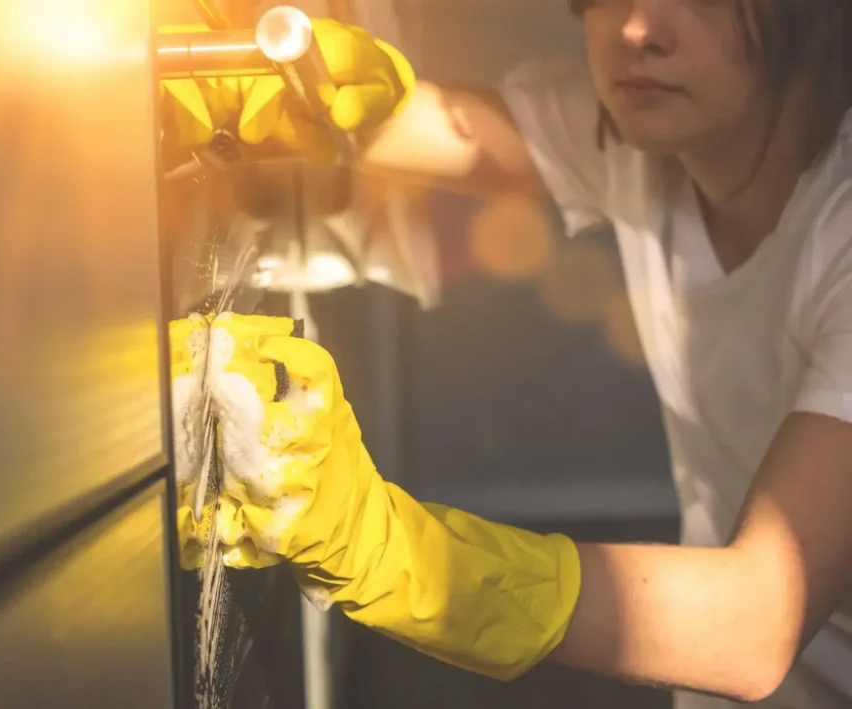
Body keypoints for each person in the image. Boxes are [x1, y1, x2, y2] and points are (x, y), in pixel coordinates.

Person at [164, 2, 852, 707]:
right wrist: (260, 75)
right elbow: (417, 128)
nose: (638, 31)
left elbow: (755, 622)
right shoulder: (644, 131)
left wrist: (390, 550)